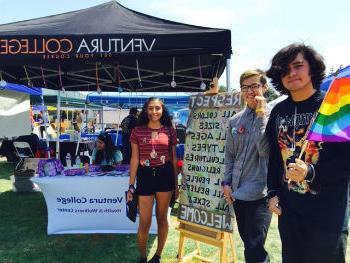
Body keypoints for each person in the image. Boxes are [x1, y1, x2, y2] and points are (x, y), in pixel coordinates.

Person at [265, 43, 350, 263]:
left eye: (298, 66)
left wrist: (310, 171)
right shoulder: (278, 111)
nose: (291, 73)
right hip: (290, 215)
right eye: (284, 70)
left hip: (328, 216)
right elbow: (274, 157)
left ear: (311, 68)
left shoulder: (333, 107)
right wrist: (273, 192)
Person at [222, 69, 272, 263]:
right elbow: (230, 155)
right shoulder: (235, 120)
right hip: (237, 192)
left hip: (260, 193)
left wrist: (260, 114)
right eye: (245, 87)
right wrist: (226, 182)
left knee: (255, 247)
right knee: (248, 244)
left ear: (264, 87)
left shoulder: (273, 116)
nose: (250, 91)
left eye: (254, 86)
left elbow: (265, 151)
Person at [127, 97, 178, 263]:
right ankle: (143, 257)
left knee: (162, 218)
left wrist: (176, 185)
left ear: (162, 110)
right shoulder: (137, 131)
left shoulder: (170, 130)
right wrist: (131, 186)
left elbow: (173, 158)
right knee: (145, 221)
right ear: (145, 110)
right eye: (150, 108)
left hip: (165, 177)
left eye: (157, 108)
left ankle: (157, 255)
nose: (154, 112)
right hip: (145, 176)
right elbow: (134, 159)